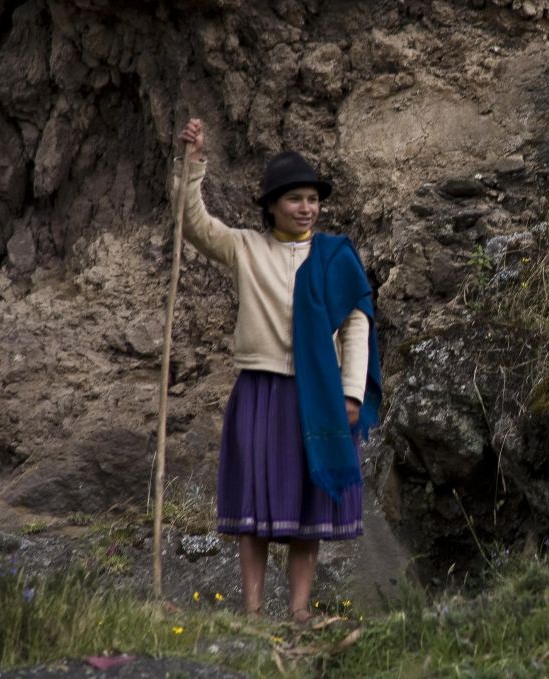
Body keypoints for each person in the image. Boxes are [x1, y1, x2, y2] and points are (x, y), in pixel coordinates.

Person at [171, 119, 382, 622]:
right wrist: (193, 162)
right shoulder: (246, 247)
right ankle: (251, 610)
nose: (306, 208)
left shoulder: (336, 258)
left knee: (308, 507)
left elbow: (356, 327)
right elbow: (194, 223)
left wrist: (352, 392)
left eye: (312, 199)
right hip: (262, 391)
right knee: (257, 505)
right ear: (271, 206)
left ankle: (300, 610)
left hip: (321, 394)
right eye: (294, 199)